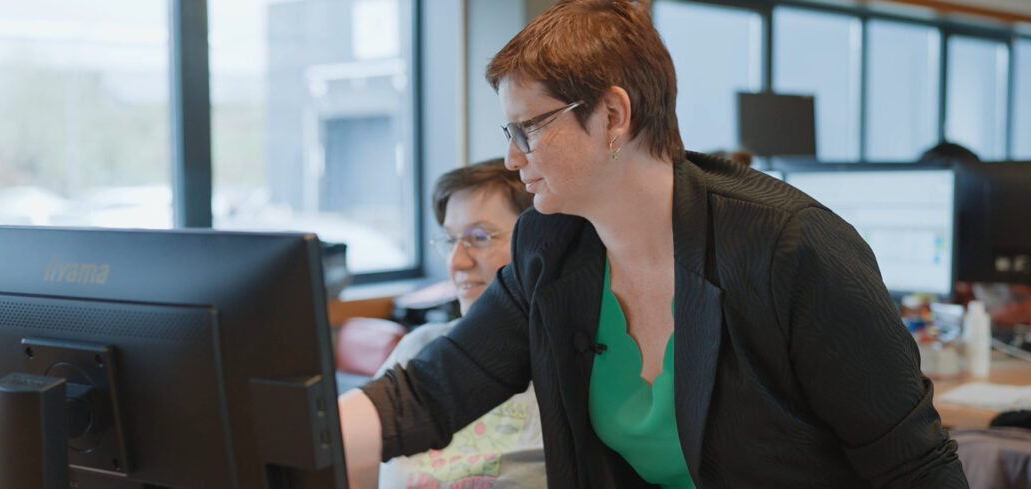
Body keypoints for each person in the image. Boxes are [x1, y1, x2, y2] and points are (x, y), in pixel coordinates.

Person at [340, 1, 969, 487]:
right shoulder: (549, 246)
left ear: (614, 116)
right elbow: (430, 391)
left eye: (529, 128)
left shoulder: (789, 249)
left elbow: (916, 469)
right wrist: (292, 436)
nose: (511, 157)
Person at [366, 159, 543, 489]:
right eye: (450, 241)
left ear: (539, 246)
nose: (456, 262)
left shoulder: (563, 369)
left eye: (479, 237)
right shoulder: (420, 346)